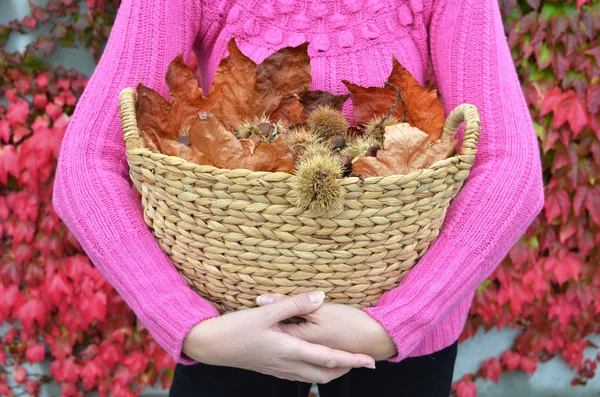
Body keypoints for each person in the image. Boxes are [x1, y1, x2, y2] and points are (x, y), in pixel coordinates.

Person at [52, 0, 545, 396]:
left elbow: (509, 167)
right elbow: (89, 165)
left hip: (399, 352)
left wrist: (395, 322)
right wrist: (192, 328)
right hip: (232, 335)